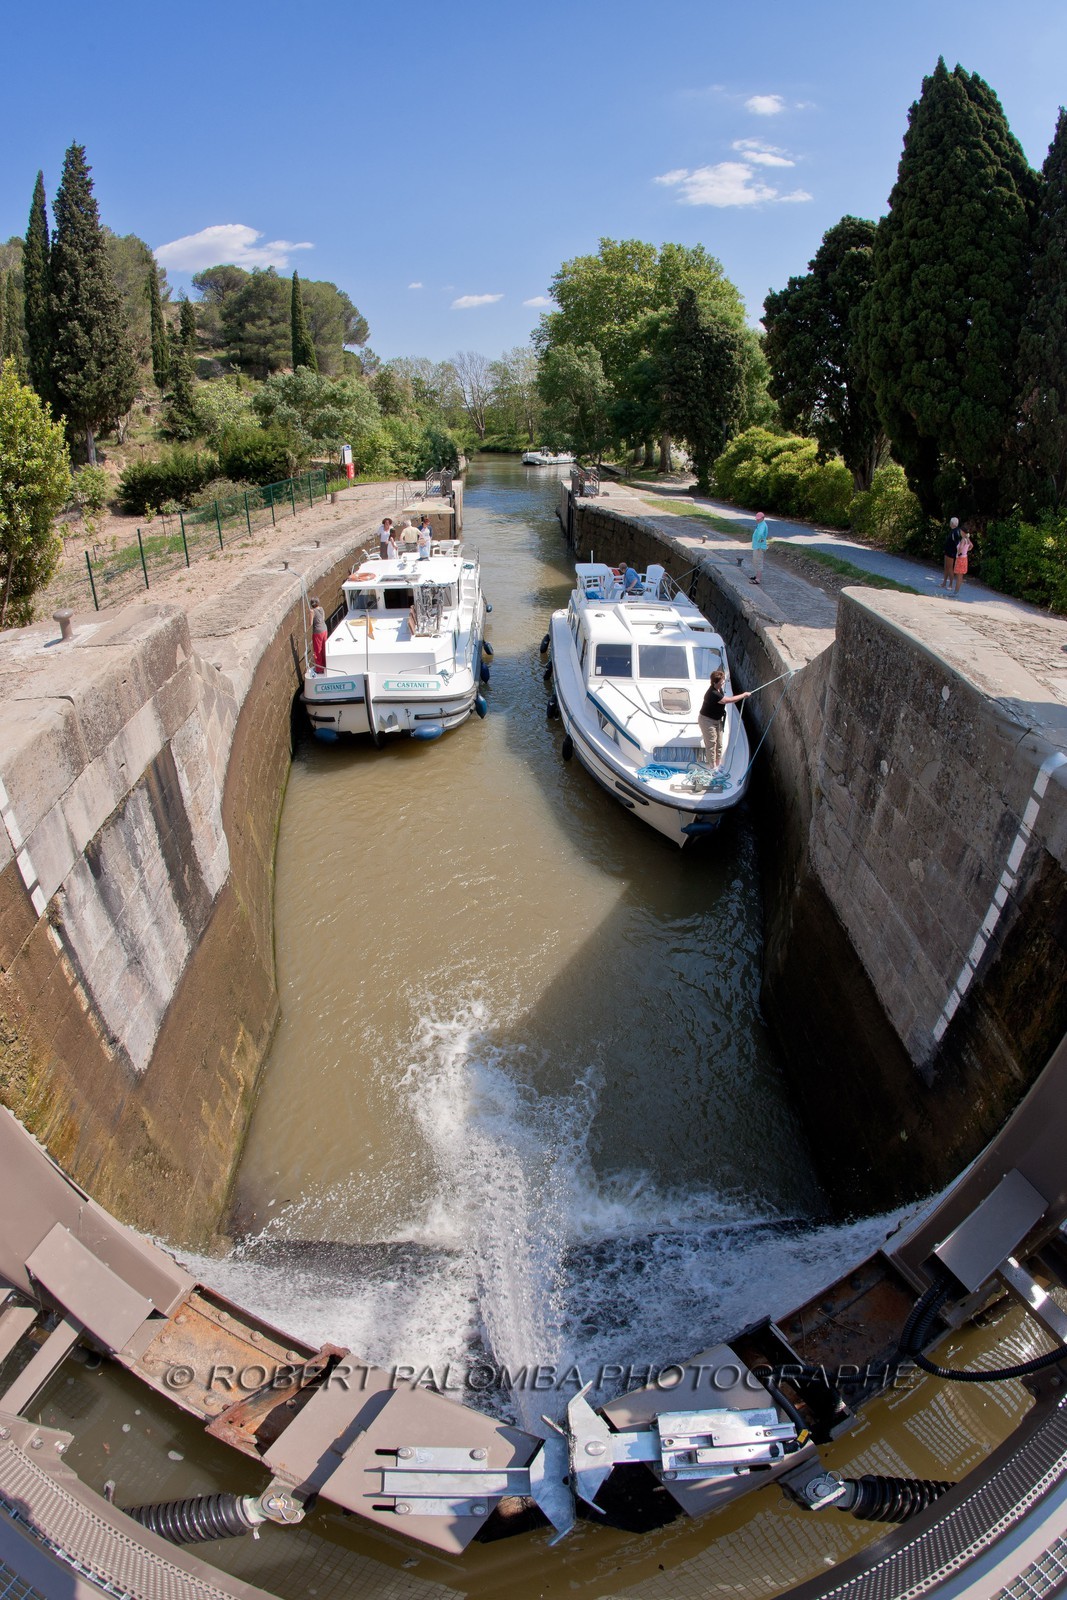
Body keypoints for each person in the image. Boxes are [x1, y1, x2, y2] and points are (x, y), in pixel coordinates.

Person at [698, 668, 751, 770]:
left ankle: (718, 764)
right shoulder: (713, 693)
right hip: (707, 721)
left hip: (717, 720)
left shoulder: (719, 689)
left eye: (723, 681)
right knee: (711, 743)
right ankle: (712, 767)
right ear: (714, 682)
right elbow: (728, 700)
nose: (723, 683)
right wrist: (744, 695)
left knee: (720, 742)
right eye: (721, 682)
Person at [309, 595, 327, 674]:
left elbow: (310, 623)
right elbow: (323, 618)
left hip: (318, 632)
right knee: (324, 648)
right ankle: (326, 665)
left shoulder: (312, 611)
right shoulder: (322, 608)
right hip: (324, 630)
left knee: (318, 650)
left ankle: (320, 669)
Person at [941, 517, 961, 589]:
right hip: (948, 551)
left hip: (951, 552)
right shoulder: (953, 531)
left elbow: (957, 543)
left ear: (952, 523)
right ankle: (944, 582)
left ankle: (951, 584)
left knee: (950, 568)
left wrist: (958, 553)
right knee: (946, 567)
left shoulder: (955, 532)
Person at [952, 528, 973, 596]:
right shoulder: (967, 539)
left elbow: (960, 548)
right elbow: (971, 546)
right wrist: (966, 551)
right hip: (965, 558)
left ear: (963, 532)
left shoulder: (963, 540)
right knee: (960, 576)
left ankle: (956, 591)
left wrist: (959, 553)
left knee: (958, 575)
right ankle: (957, 591)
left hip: (960, 558)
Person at [750, 513, 769, 584]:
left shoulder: (762, 525)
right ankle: (756, 576)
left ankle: (758, 579)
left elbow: (760, 534)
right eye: (757, 518)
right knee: (756, 561)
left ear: (763, 518)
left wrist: (758, 541)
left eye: (759, 518)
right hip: (757, 546)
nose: (757, 519)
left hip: (759, 547)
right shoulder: (760, 524)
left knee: (758, 561)